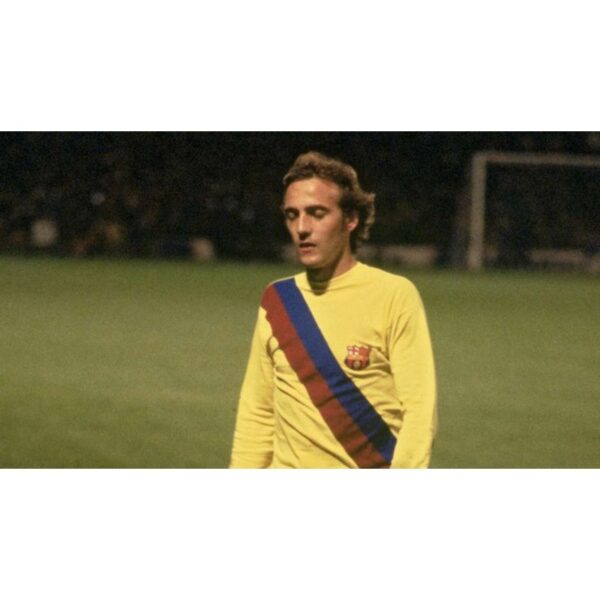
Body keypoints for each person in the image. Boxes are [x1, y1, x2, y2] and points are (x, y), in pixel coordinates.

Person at [230, 151, 437, 468]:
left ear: (350, 219)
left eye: (317, 213)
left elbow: (420, 411)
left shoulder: (394, 295)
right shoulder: (277, 299)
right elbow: (257, 411)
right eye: (292, 215)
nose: (302, 227)